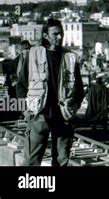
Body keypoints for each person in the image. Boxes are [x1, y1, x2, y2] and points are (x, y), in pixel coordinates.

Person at [17, 18, 84, 166]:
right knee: (31, 161)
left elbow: (79, 89)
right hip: (39, 114)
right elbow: (21, 84)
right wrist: (24, 110)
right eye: (55, 34)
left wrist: (74, 107)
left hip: (63, 116)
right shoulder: (33, 54)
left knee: (61, 161)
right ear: (46, 36)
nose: (60, 37)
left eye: (61, 33)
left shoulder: (70, 57)